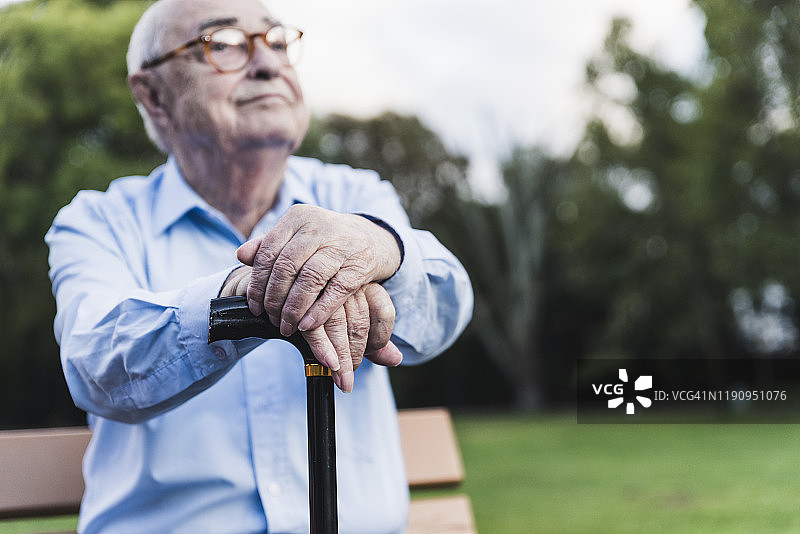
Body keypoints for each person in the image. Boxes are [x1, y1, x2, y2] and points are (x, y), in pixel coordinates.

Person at [45, 0, 473, 532]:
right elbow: (95, 362)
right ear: (153, 95)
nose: (267, 63)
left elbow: (444, 306)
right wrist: (251, 292)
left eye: (276, 41)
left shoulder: (355, 196)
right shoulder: (98, 221)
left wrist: (378, 246)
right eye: (223, 43)